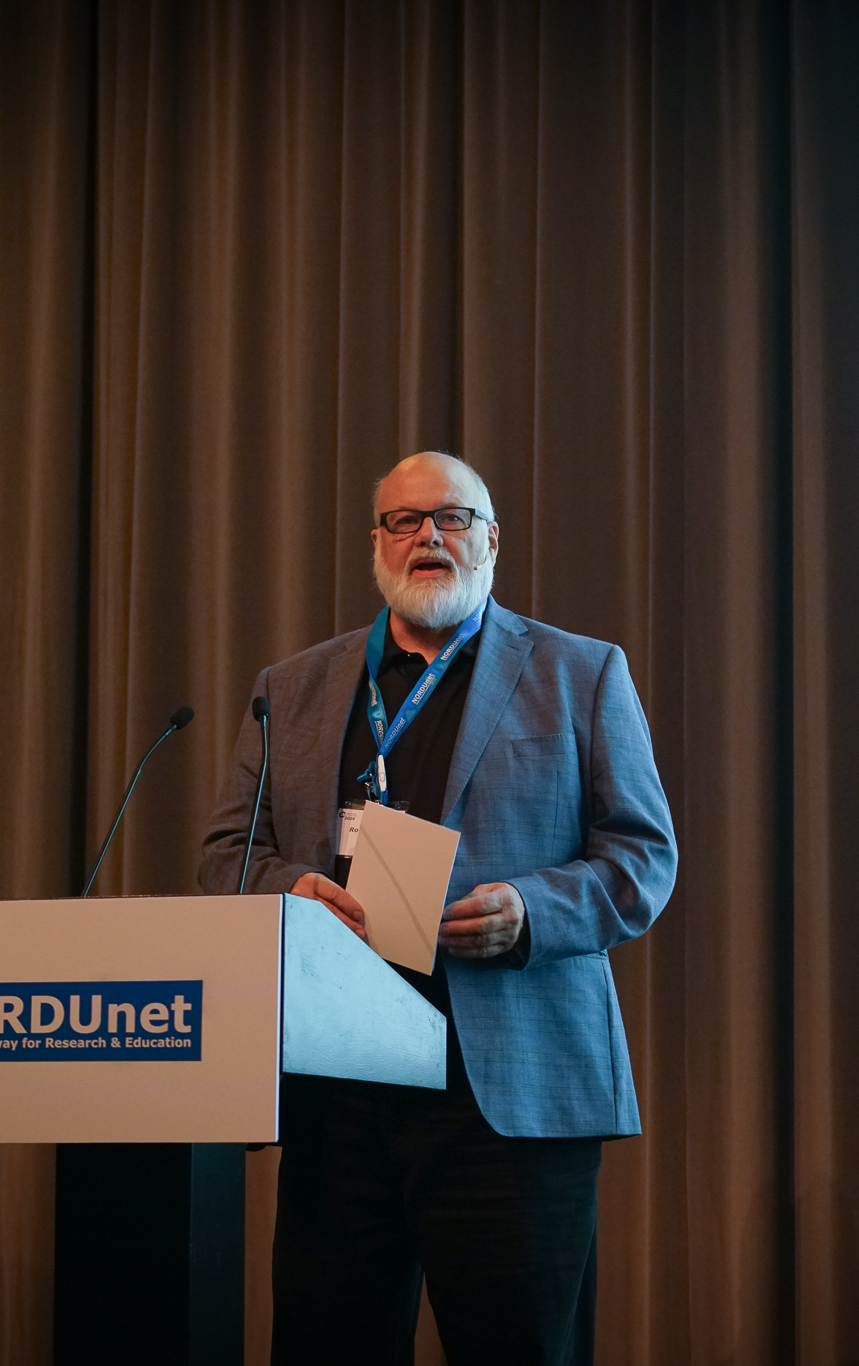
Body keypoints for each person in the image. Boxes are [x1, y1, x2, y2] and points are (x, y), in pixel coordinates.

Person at [199, 451, 677, 1366]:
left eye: (451, 518)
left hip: (505, 1097)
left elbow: (642, 859)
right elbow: (227, 855)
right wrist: (289, 891)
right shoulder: (291, 688)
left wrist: (529, 911)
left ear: (490, 539)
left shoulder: (580, 673)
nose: (428, 536)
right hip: (339, 1092)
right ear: (376, 543)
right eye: (404, 521)